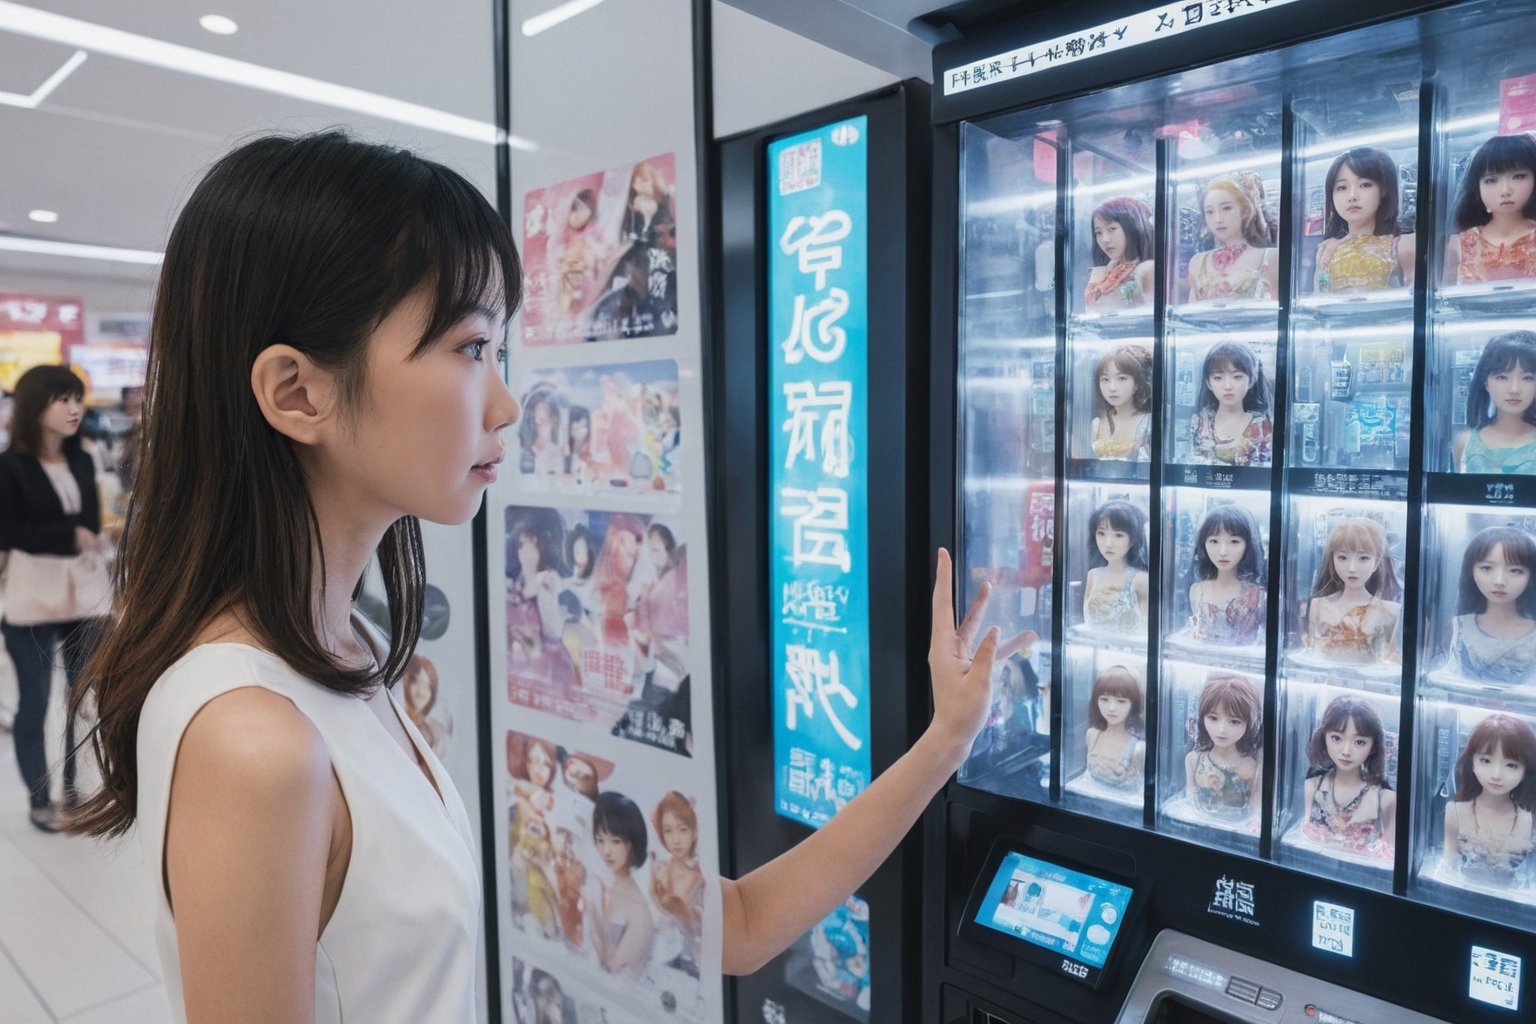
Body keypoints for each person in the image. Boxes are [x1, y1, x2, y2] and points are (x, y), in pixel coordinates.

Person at [64, 130, 999, 1020]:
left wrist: (942, 743)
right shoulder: (255, 741)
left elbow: (739, 927)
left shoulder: (338, 662)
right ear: (295, 391)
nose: (508, 404)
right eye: (471, 350)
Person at [0, 365, 105, 832]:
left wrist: (89, 536)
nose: (74, 408)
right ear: (34, 407)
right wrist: (71, 534)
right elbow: (10, 531)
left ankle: (72, 786)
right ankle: (40, 798)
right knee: (35, 699)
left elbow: (92, 521)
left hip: (82, 593)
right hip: (31, 594)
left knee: (80, 697)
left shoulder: (82, 457)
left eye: (76, 398)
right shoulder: (9, 465)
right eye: (62, 399)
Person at [1442, 713, 1536, 889]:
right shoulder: (1455, 812)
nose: (1496, 774)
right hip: (1458, 905)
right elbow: (1447, 869)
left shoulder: (1529, 819)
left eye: (1511, 765)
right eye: (1486, 760)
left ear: (1526, 772)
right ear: (1472, 763)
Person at [1300, 697, 1396, 860]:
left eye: (1359, 742)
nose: (1346, 751)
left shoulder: (1385, 798)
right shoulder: (1312, 786)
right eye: (1336, 738)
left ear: (1373, 746)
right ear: (1324, 738)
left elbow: (1391, 854)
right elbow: (1304, 837)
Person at [1313, 147, 1416, 293]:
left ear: (1383, 190)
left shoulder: (1401, 247)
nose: (1352, 196)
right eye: (1342, 187)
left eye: (1365, 185)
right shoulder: (1327, 251)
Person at [1302, 518, 1402, 664]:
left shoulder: (1390, 612)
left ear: (1377, 562)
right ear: (1333, 559)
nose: (1352, 568)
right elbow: (1311, 657)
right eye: (1342, 557)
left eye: (1363, 558)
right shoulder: (1318, 605)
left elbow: (1390, 663)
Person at [1447, 526, 1536, 685]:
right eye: (1487, 568)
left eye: (1515, 571)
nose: (1499, 581)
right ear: (1471, 571)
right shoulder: (1458, 626)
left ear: (1531, 576)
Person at [1445, 133, 1536, 285]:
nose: (1505, 190)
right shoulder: (1460, 244)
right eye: (1491, 180)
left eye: (1518, 176)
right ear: (1477, 186)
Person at [1184, 173, 1279, 303]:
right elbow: (1191, 315)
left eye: (1226, 208)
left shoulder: (1270, 257)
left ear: (1245, 210)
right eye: (1210, 212)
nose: (1218, 219)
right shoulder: (1197, 263)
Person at [1184, 674, 1262, 824]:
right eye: (1213, 718)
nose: (1221, 730)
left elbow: (1256, 809)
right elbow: (1190, 801)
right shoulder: (1193, 760)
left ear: (1249, 724)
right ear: (1202, 718)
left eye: (1234, 721)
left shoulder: (1253, 766)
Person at [1455, 330, 1536, 474]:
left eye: (1527, 378)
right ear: (1485, 382)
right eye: (1502, 377)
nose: (1514, 389)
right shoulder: (1464, 443)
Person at [1187, 504, 1267, 646]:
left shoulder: (1257, 596)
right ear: (1203, 544)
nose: (1223, 551)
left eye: (1234, 541)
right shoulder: (1197, 590)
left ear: (1247, 545)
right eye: (1214, 541)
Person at [1188, 341, 1273, 467]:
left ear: (1252, 380)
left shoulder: (1263, 428)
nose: (1228, 386)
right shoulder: (1200, 423)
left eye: (1237, 377)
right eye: (1218, 378)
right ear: (1208, 382)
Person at [1080, 499, 1150, 633]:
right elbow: (1087, 623)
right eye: (1101, 533)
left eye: (1118, 535)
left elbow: (1145, 630)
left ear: (1133, 539)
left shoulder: (1141, 580)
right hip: (1095, 649)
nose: (1108, 543)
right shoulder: (1093, 575)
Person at [1083, 197, 1155, 310]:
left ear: (1131, 227)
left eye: (1111, 229)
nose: (1104, 239)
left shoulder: (1146, 269)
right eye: (1098, 233)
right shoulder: (1103, 273)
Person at [1082, 666, 1145, 793]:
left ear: (1132, 705)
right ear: (1096, 701)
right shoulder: (1091, 735)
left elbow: (1140, 792)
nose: (1111, 708)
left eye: (1121, 701)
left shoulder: (1138, 749)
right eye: (1104, 699)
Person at [1087, 345, 1152, 461]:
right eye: (1105, 379)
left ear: (1137, 383)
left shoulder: (1149, 423)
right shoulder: (1097, 424)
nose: (1112, 388)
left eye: (1121, 378)